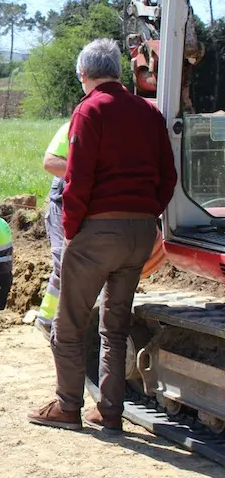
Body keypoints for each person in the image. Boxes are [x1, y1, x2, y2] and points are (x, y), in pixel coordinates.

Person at [27, 39, 177, 434]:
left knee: (69, 326)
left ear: (83, 75)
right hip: (139, 231)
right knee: (115, 327)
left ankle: (67, 407)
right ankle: (110, 412)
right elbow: (168, 177)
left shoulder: (89, 110)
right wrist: (149, 216)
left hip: (98, 231)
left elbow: (77, 179)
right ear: (118, 71)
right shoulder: (149, 112)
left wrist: (74, 229)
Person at [35, 121, 71, 337]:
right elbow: (50, 161)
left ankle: (49, 318)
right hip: (64, 196)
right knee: (64, 263)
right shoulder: (72, 126)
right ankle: (48, 320)